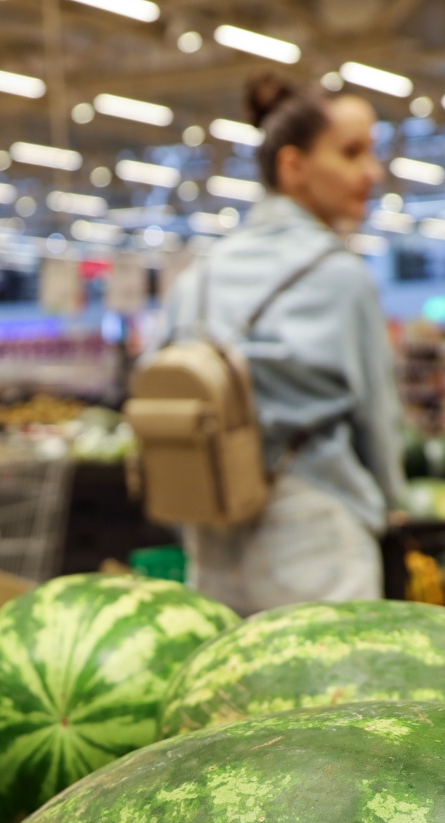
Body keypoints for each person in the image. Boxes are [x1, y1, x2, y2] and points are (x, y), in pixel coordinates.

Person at [163, 71, 404, 614]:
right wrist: (392, 504)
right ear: (293, 166)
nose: (372, 171)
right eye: (351, 153)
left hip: (211, 529)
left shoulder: (198, 276)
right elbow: (378, 417)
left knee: (234, 692)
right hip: (315, 526)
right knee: (331, 694)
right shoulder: (339, 274)